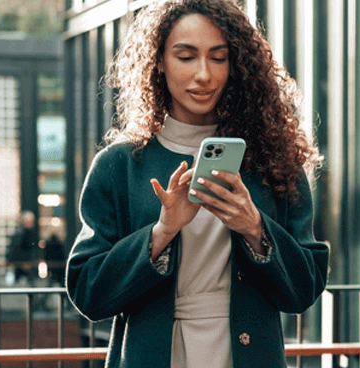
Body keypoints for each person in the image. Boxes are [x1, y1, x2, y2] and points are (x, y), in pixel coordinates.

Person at [65, 1, 328, 367]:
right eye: (186, 56)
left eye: (218, 58)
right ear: (158, 61)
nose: (203, 75)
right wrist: (161, 232)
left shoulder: (274, 161)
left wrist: (254, 227)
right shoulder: (119, 165)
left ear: (234, 64)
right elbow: (87, 292)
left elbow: (304, 290)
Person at [5, 211, 37, 283]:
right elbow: (16, 250)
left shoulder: (30, 233)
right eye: (30, 221)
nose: (32, 223)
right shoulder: (20, 234)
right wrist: (23, 264)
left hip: (27, 266)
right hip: (19, 267)